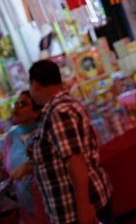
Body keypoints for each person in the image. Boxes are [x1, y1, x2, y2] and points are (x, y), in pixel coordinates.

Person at [28, 60, 114, 224]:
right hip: (79, 205)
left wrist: (84, 207)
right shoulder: (64, 104)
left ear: (35, 84)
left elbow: (75, 161)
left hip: (75, 210)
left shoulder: (58, 111)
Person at [0, 91, 47, 223]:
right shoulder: (10, 137)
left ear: (36, 112)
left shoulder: (45, 132)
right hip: (29, 213)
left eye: (23, 104)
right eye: (16, 103)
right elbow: (6, 172)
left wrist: (29, 167)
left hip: (54, 207)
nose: (16, 107)